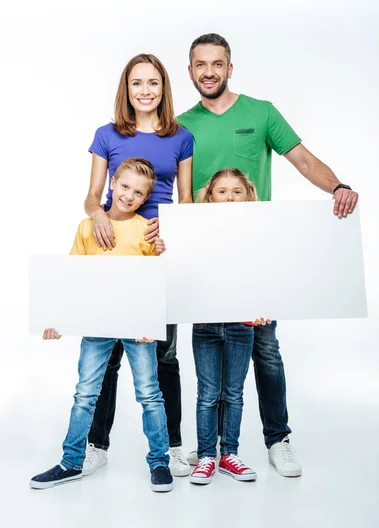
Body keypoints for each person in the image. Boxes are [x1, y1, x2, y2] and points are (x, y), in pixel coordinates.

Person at [177, 33, 359, 478]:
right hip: (205, 258)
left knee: (266, 348)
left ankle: (278, 440)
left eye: (217, 64)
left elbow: (303, 160)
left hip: (258, 253)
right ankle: (205, 450)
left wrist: (337, 186)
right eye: (201, 65)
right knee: (206, 348)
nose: (209, 72)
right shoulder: (180, 125)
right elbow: (171, 188)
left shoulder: (261, 112)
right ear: (190, 72)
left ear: (229, 68)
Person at [30, 158, 173, 493]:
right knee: (85, 394)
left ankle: (159, 462)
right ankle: (71, 462)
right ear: (112, 184)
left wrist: (151, 320)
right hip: (98, 324)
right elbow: (71, 279)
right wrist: (56, 320)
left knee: (150, 394)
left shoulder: (146, 230)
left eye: (138, 192)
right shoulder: (86, 227)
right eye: (125, 186)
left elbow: (157, 280)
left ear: (144, 198)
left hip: (138, 325)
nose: (129, 195)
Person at [83, 54, 193, 478]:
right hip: (113, 247)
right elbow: (93, 195)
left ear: (164, 88)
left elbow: (185, 201)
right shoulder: (106, 135)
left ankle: (175, 445)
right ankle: (96, 445)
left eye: (153, 83)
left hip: (159, 253)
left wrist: (172, 236)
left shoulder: (181, 137)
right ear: (125, 89)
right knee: (108, 351)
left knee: (165, 355)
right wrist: (97, 215)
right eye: (136, 83)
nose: (145, 90)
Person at [190, 168, 270, 485]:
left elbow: (265, 274)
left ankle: (229, 454)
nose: (229, 196)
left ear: (248, 195)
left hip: (241, 324)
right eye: (222, 191)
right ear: (209, 196)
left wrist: (263, 307)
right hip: (206, 325)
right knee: (208, 394)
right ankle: (207, 455)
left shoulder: (257, 233)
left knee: (233, 394)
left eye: (237, 191)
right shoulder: (195, 233)